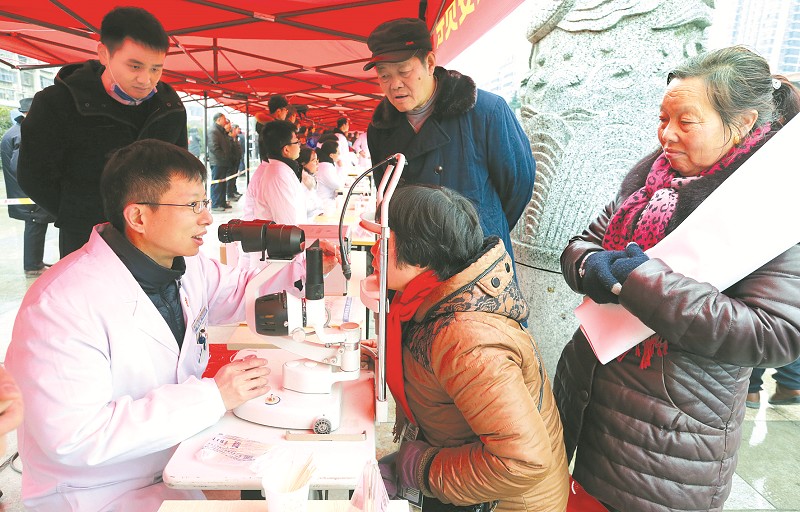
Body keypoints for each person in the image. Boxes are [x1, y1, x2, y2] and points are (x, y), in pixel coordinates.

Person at [4, 139, 337, 511]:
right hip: (92, 494)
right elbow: (76, 436)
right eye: (193, 205)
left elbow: (240, 292)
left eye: (205, 202)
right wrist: (214, 396)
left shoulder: (183, 265)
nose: (207, 218)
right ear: (138, 217)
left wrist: (306, 269)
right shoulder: (61, 304)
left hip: (171, 467)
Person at [553, 46, 800, 512]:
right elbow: (584, 242)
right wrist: (591, 267)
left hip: (668, 437)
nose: (667, 134)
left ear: (743, 122)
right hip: (586, 398)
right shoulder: (650, 180)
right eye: (663, 119)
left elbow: (776, 333)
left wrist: (641, 282)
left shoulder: (770, 204)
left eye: (686, 122)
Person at [373, 184, 569, 511]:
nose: (374, 248)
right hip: (473, 487)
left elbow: (523, 461)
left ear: (418, 255)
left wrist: (421, 468)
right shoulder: (434, 301)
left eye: (384, 238)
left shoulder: (466, 338)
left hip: (504, 502)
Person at [18, 6, 187, 258]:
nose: (146, 80)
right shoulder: (58, 103)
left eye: (156, 68)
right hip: (87, 238)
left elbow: (179, 172)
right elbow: (34, 176)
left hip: (155, 238)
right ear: (104, 54)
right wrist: (78, 214)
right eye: (135, 66)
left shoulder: (170, 107)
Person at [364, 18, 534, 261]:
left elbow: (518, 187)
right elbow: (386, 197)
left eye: (404, 72)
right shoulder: (380, 129)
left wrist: (484, 227)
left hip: (476, 262)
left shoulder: (487, 111)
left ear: (430, 63)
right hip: (414, 265)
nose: (395, 85)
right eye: (384, 76)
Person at [1, 97, 55, 277]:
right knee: (35, 226)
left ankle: (35, 261)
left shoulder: (16, 130)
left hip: (23, 191)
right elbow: (19, 165)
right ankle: (33, 266)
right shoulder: (23, 133)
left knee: (35, 225)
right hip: (28, 192)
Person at [242, 120, 306, 225]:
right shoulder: (278, 175)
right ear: (286, 149)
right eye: (296, 142)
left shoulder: (281, 170)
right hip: (285, 234)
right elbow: (287, 224)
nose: (299, 145)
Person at [208, 112, 234, 212]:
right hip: (217, 162)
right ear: (218, 119)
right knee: (217, 183)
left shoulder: (221, 131)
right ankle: (215, 204)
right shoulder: (213, 131)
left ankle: (222, 202)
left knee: (222, 183)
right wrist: (223, 157)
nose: (225, 121)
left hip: (223, 162)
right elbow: (214, 147)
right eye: (224, 119)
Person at [315, 140, 344, 206]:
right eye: (338, 153)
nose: (339, 154)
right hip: (324, 203)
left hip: (326, 201)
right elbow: (338, 185)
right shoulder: (326, 167)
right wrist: (341, 168)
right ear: (331, 155)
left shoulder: (327, 164)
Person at [298, 146, 324, 218]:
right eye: (314, 160)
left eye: (317, 160)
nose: (317, 163)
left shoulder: (310, 178)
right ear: (303, 163)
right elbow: (307, 207)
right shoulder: (301, 181)